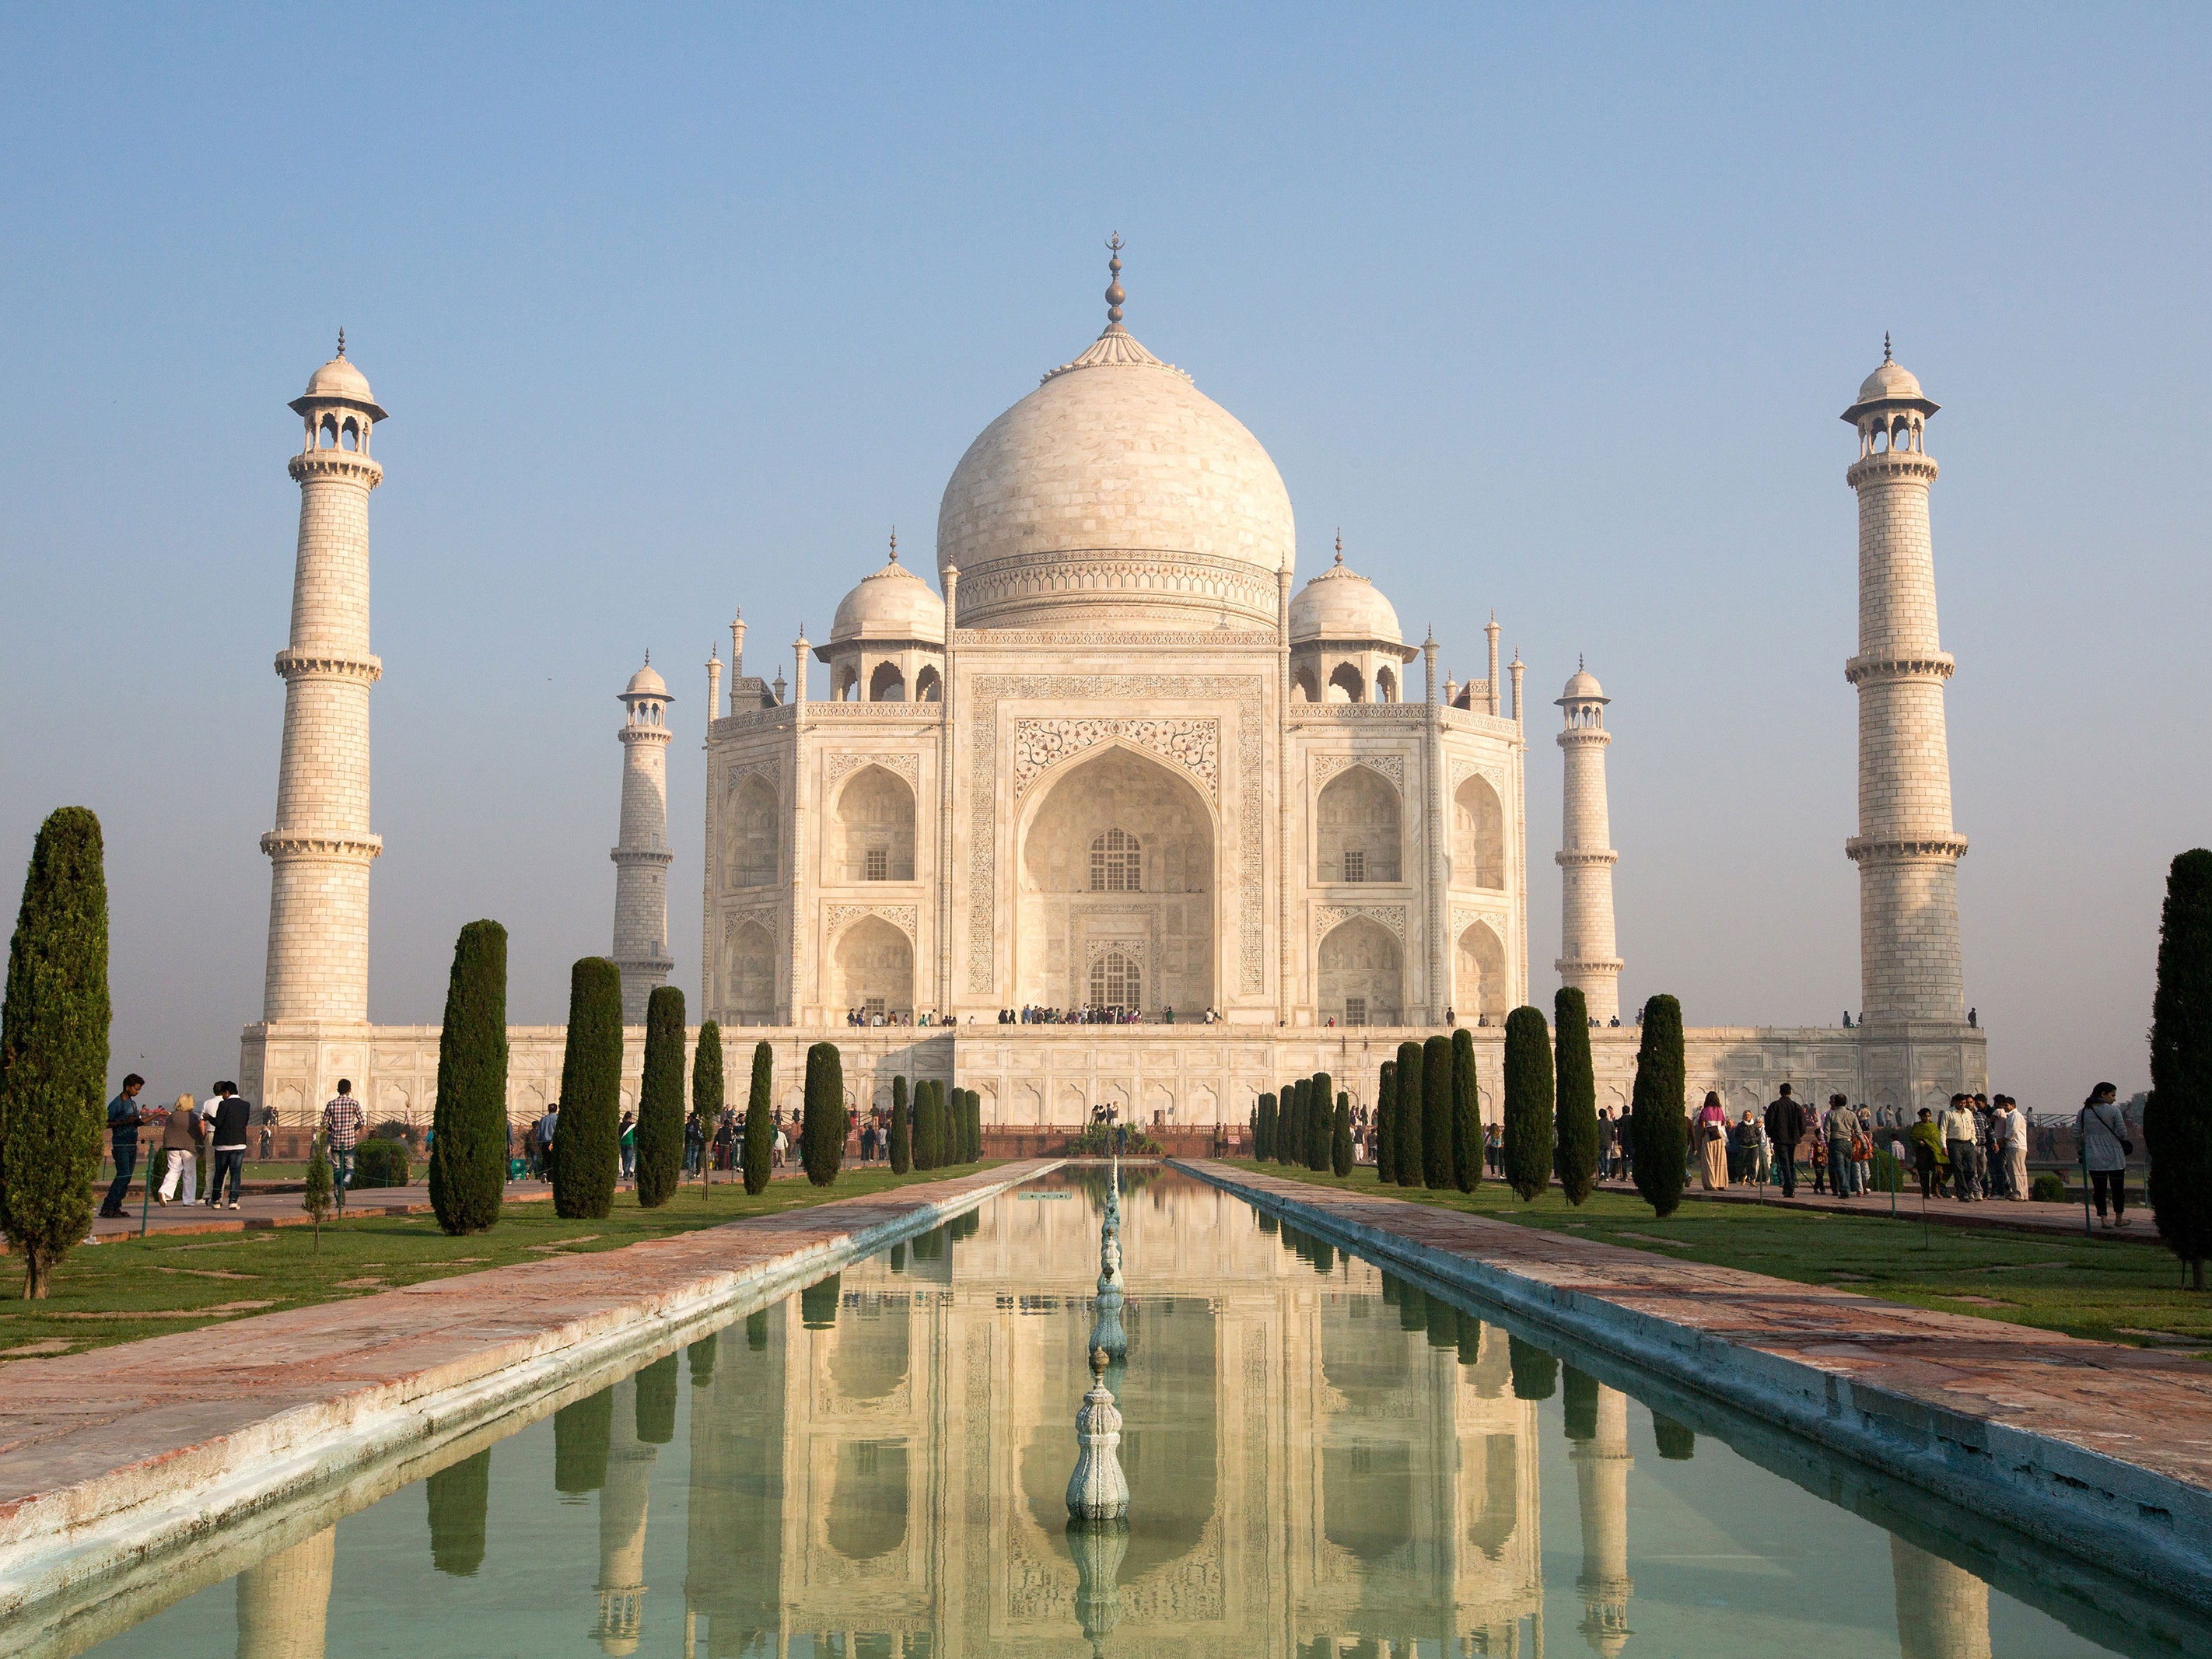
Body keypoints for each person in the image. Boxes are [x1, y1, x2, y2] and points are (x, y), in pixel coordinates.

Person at [2078, 1082, 2130, 1228]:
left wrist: (2085, 1145)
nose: (2114, 1099)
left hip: (2093, 1155)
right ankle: (2119, 1218)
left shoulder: (2083, 1112)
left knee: (2099, 1190)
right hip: (2115, 1156)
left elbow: (2077, 1133)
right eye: (2112, 1095)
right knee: (2118, 1189)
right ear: (2103, 1094)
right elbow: (2122, 1132)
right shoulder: (2113, 1111)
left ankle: (2104, 1219)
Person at [100, 1074, 148, 1218]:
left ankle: (116, 1206)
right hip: (121, 1143)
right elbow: (105, 1123)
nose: (138, 1092)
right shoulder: (117, 1104)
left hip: (132, 1143)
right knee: (123, 1175)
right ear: (128, 1087)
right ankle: (108, 1207)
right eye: (136, 1089)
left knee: (127, 1177)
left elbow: (136, 1122)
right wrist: (123, 1122)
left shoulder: (132, 1104)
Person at [206, 1085, 251, 1209]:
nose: (223, 1097)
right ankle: (233, 1201)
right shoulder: (246, 1105)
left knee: (220, 1173)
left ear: (227, 1092)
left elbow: (219, 1123)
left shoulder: (224, 1104)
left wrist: (209, 1118)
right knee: (235, 1173)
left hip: (223, 1145)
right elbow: (245, 1123)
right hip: (239, 1144)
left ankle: (215, 1200)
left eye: (223, 1094)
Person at [322, 1080, 365, 1209]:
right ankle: (343, 1185)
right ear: (349, 1090)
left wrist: (333, 1130)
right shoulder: (354, 1103)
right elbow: (362, 1122)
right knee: (350, 1169)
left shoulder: (331, 1104)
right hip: (349, 1142)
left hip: (335, 1142)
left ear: (337, 1089)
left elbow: (324, 1122)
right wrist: (352, 1129)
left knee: (336, 1170)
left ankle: (338, 1195)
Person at [156, 1092, 201, 1204]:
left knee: (174, 1170)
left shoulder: (172, 1116)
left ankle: (164, 1191)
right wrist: (201, 1149)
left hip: (172, 1147)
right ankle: (188, 1200)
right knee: (189, 1174)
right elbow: (197, 1134)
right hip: (188, 1148)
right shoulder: (192, 1117)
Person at [1763, 1083, 1807, 1199]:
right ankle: (1791, 1184)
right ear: (1790, 1092)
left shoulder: (1775, 1106)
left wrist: (1773, 1135)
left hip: (1780, 1139)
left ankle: (1789, 1188)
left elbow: (1769, 1123)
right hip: (1792, 1139)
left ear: (1780, 1092)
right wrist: (1798, 1135)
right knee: (1790, 1163)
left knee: (1784, 1164)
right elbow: (1803, 1125)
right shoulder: (1796, 1106)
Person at [1940, 1094, 1979, 1202]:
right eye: (1961, 1103)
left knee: (1971, 1169)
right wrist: (1944, 1146)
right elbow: (1943, 1130)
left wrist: (1973, 1141)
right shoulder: (1948, 1114)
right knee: (1958, 1168)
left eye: (1964, 1103)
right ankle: (1963, 1194)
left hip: (1968, 1143)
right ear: (1955, 1102)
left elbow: (1972, 1128)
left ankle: (1960, 1185)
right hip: (1954, 1144)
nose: (1963, 1105)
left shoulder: (1968, 1113)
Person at [1825, 1093, 1858, 1199]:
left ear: (1836, 1103)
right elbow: (1858, 1131)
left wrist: (1828, 1143)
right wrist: (1864, 1143)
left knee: (1839, 1167)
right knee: (1847, 1167)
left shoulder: (1831, 1115)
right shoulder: (1852, 1115)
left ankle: (1844, 1190)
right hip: (1848, 1143)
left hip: (1836, 1143)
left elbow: (1827, 1131)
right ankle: (1846, 1188)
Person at [1908, 1107, 1947, 1199]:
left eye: (1929, 1116)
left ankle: (1935, 1190)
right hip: (1923, 1152)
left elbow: (1937, 1140)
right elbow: (1912, 1138)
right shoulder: (1917, 1126)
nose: (1927, 1118)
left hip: (1934, 1152)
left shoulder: (1933, 1126)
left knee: (1939, 1171)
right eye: (1925, 1116)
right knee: (1924, 1174)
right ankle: (1925, 1193)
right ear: (1921, 1116)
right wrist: (1919, 1142)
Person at [1998, 1094, 2029, 1200]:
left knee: (2015, 1171)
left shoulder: (2015, 1115)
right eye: (2004, 1105)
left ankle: (2019, 1194)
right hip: (2018, 1146)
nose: (2005, 1108)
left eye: (2006, 1105)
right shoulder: (2012, 1116)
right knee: (2020, 1171)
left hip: (2016, 1145)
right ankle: (2023, 1194)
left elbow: (2013, 1130)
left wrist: (2004, 1139)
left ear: (2013, 1105)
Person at [618, 1110, 636, 1181]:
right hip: (630, 1143)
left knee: (624, 1159)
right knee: (629, 1159)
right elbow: (635, 1135)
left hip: (622, 1143)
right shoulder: (633, 1126)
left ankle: (625, 1172)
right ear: (631, 1118)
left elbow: (619, 1134)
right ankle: (626, 1174)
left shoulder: (621, 1125)